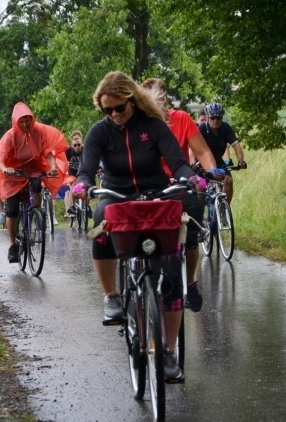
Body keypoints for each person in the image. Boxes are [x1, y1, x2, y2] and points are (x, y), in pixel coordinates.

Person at [71, 71, 223, 382]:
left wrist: (191, 178)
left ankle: (168, 352)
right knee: (101, 221)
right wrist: (83, 184)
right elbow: (86, 169)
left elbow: (178, 161)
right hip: (117, 196)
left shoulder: (153, 126)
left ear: (133, 100)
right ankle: (111, 296)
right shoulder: (99, 133)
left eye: (119, 108)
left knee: (170, 274)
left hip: (155, 194)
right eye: (106, 110)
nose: (114, 115)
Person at [141, 77, 223, 312]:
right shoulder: (138, 123)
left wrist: (212, 171)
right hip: (149, 186)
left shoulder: (182, 119)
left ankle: (190, 281)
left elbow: (202, 151)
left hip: (179, 184)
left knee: (190, 235)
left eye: (160, 101)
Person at [0, 102, 69, 262]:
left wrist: (53, 167)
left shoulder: (39, 132)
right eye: (21, 121)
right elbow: (0, 157)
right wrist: (4, 168)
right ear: (16, 122)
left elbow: (48, 152)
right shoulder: (10, 136)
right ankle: (12, 245)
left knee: (37, 184)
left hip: (32, 168)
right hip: (13, 172)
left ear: (32, 119)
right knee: (12, 209)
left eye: (28, 120)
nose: (25, 124)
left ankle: (36, 210)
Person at [198, 102, 247, 203]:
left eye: (218, 118)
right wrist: (193, 164)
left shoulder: (226, 128)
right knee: (200, 186)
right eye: (212, 118)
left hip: (218, 162)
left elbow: (236, 146)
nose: (215, 120)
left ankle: (225, 210)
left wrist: (241, 161)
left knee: (228, 181)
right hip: (202, 163)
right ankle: (199, 213)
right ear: (207, 117)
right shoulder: (201, 129)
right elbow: (192, 149)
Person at [63, 130, 84, 219]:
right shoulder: (68, 151)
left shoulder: (86, 149)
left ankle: (87, 207)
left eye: (79, 145)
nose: (77, 147)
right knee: (73, 186)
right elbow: (61, 158)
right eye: (75, 145)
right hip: (72, 174)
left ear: (81, 142)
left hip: (83, 172)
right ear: (72, 145)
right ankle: (72, 207)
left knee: (86, 186)